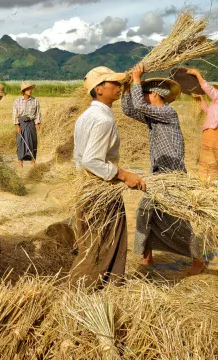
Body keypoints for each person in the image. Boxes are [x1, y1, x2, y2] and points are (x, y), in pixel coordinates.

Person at [123, 63, 205, 276]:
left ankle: (198, 261)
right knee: (146, 212)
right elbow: (130, 109)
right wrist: (126, 88)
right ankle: (147, 256)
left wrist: (136, 81)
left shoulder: (167, 112)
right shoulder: (153, 115)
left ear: (155, 95)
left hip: (172, 174)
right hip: (159, 173)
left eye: (145, 92)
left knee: (178, 218)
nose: (143, 95)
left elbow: (139, 106)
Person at [70, 67, 145, 288]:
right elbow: (91, 160)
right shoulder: (102, 120)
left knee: (99, 241)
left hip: (88, 188)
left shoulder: (86, 116)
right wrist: (124, 175)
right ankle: (82, 289)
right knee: (102, 243)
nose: (118, 87)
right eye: (113, 83)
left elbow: (80, 157)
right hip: (99, 188)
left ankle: (107, 287)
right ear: (99, 89)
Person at [12, 81, 41, 167]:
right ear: (23, 91)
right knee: (20, 141)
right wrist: (17, 125)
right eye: (27, 89)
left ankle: (33, 160)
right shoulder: (17, 101)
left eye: (30, 89)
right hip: (21, 124)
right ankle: (20, 161)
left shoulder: (35, 101)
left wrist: (37, 123)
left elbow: (38, 113)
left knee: (33, 141)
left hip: (31, 123)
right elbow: (15, 114)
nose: (30, 91)